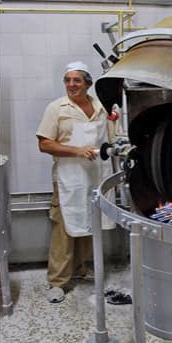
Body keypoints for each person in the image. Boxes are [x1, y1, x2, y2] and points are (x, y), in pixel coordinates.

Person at [36, 61, 113, 303]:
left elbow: (108, 138)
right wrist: (77, 151)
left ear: (88, 84)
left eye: (77, 80)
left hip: (95, 175)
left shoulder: (100, 106)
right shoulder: (57, 108)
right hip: (69, 176)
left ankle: (80, 269)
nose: (71, 85)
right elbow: (44, 143)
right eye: (68, 80)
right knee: (65, 227)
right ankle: (57, 282)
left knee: (90, 222)